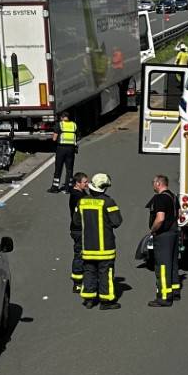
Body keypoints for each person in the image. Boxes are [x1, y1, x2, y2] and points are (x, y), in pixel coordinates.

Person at [77, 173, 122, 309]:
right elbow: (117, 222)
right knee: (105, 273)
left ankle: (89, 299)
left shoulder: (82, 201)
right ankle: (106, 301)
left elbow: (76, 221)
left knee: (89, 271)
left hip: (88, 246)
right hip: (105, 248)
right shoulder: (108, 202)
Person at [145, 175, 182, 307]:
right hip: (173, 233)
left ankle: (164, 297)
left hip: (163, 235)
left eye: (153, 183)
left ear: (158, 183)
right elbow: (178, 213)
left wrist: (153, 230)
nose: (153, 185)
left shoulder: (160, 198)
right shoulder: (173, 197)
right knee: (172, 264)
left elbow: (160, 218)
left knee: (162, 266)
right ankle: (175, 291)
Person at [66, 172, 90, 293]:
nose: (87, 184)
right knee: (79, 255)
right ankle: (77, 283)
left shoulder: (80, 193)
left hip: (79, 229)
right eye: (85, 182)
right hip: (79, 230)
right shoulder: (77, 196)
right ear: (77, 183)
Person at [49, 113, 78, 191]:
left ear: (62, 118)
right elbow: (76, 136)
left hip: (61, 148)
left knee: (58, 168)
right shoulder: (74, 125)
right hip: (71, 149)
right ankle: (68, 187)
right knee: (69, 168)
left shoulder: (60, 124)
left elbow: (54, 138)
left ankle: (55, 187)